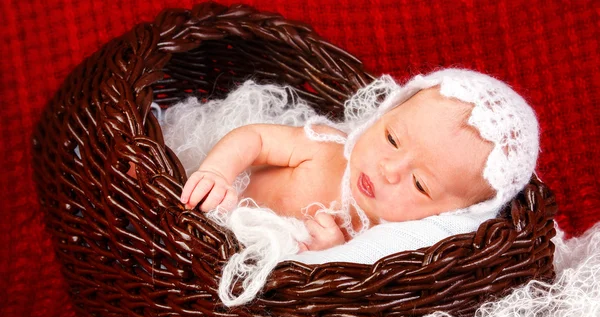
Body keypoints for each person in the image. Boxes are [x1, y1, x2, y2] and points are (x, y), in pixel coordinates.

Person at [179, 68, 539, 255]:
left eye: (420, 184)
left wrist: (332, 252)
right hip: (207, 210)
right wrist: (217, 172)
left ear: (447, 216)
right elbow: (255, 139)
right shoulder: (326, 149)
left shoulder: (384, 239)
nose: (389, 169)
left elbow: (346, 278)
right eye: (392, 138)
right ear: (382, 116)